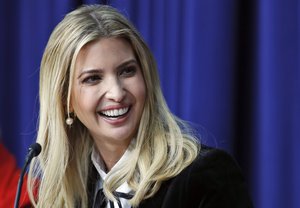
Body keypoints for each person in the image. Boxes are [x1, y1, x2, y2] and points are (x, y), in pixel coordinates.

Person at [27, 4, 253, 208]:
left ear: (147, 77)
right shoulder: (71, 195)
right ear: (65, 100)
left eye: (127, 71)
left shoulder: (204, 177)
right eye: (93, 78)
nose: (116, 93)